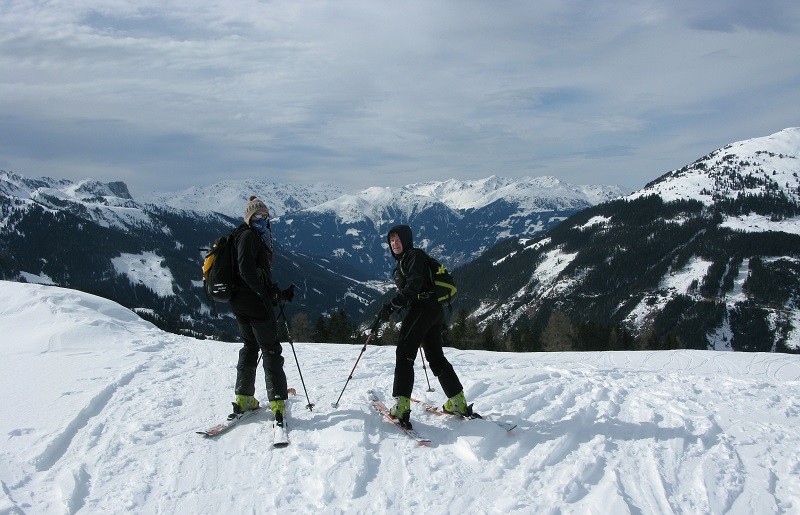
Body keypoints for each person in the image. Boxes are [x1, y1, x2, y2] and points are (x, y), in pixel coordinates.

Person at [376, 224, 471, 427]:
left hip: (423, 309)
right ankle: (458, 401)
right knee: (435, 357)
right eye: (391, 240)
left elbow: (413, 286)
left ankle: (401, 407)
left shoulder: (414, 256)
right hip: (433, 311)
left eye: (398, 239)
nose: (394, 243)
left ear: (407, 240)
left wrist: (392, 306)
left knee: (404, 353)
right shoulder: (408, 260)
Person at [228, 196, 295, 425]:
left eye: (265, 216)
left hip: (239, 303)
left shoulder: (240, 235)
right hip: (254, 304)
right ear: (249, 217)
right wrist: (265, 294)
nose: (262, 220)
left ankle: (244, 398)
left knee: (250, 346)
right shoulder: (249, 237)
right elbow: (248, 271)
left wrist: (276, 293)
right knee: (271, 349)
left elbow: (253, 273)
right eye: (257, 216)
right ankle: (277, 401)